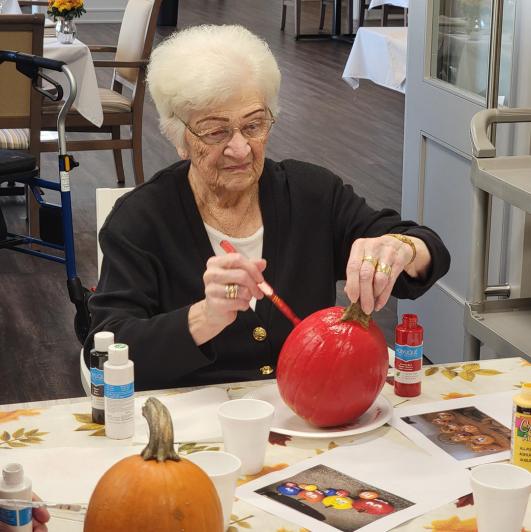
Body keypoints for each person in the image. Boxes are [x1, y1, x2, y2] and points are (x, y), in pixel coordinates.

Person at [84, 24, 450, 391]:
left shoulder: (312, 194)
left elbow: (427, 249)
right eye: (216, 132)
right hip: (194, 419)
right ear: (180, 138)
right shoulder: (141, 220)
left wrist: (402, 248)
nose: (240, 149)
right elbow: (105, 349)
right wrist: (203, 318)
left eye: (254, 125)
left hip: (309, 413)